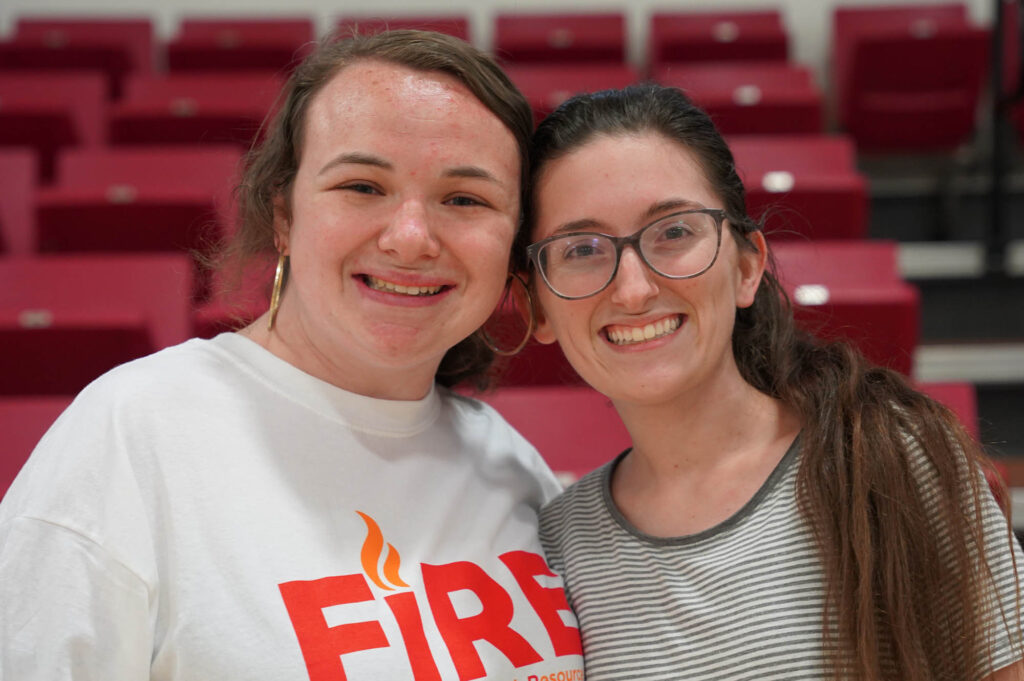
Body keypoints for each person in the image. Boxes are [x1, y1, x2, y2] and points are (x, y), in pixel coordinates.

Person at [0, 31, 584, 680]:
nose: (411, 237)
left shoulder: (507, 462)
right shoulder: (134, 433)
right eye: (363, 186)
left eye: (465, 199)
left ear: (513, 246)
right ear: (284, 215)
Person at [517, 83, 1023, 681]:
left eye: (675, 232)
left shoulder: (892, 460)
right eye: (581, 248)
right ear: (539, 309)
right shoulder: (547, 547)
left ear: (747, 267)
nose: (633, 289)